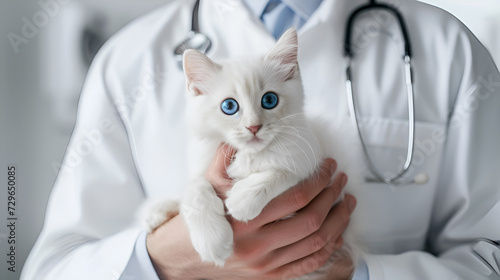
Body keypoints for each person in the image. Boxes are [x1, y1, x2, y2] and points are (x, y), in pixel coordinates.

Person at [22, 0, 500, 279]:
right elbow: (50, 270)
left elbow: (490, 256)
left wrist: (356, 273)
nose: (250, 122)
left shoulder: (447, 49)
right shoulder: (128, 60)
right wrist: (165, 259)